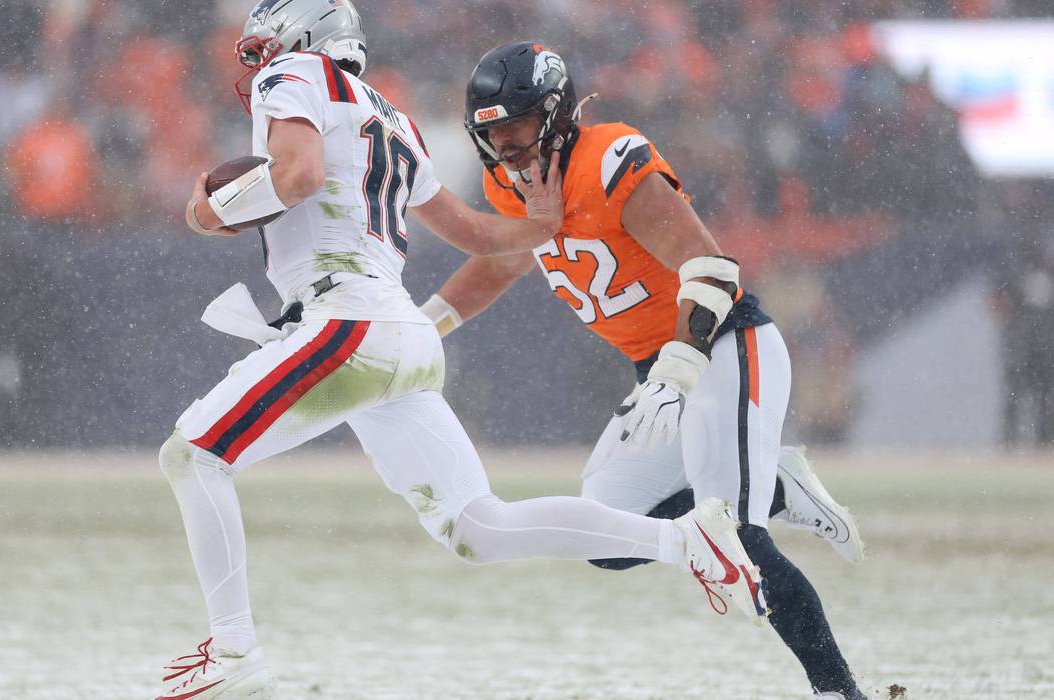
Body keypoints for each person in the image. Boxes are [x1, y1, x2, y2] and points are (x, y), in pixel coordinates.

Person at [153, 4, 766, 699]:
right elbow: (476, 233)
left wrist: (207, 210)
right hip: (399, 334)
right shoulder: (393, 118)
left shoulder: (294, 74)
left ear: (301, 36)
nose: (260, 61)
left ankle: (233, 656)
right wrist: (541, 222)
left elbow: (294, 177)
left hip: (346, 320)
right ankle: (688, 541)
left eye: (266, 46)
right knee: (480, 526)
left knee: (195, 454)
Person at [417, 41, 866, 699]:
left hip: (719, 346)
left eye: (513, 127)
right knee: (607, 536)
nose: (503, 145)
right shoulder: (511, 184)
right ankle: (772, 484)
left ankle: (838, 691)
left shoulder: (607, 158)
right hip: (657, 369)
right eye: (490, 133)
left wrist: (679, 368)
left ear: (553, 113)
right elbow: (499, 262)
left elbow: (710, 268)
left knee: (734, 538)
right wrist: (422, 329)